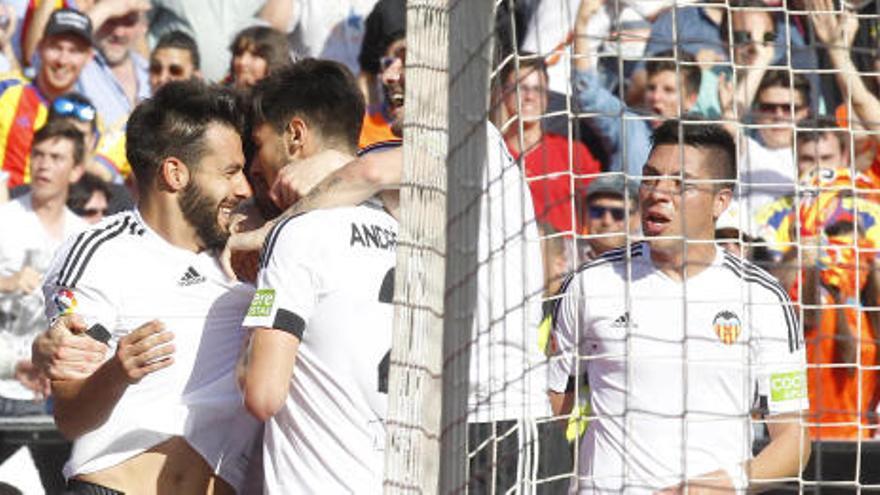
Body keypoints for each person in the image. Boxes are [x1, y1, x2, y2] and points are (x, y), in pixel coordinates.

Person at [228, 32, 559, 494]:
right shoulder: (400, 191)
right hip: (436, 433)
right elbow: (359, 177)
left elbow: (366, 172)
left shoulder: (472, 138)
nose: (389, 75)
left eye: (407, 60)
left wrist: (266, 233)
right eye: (388, 60)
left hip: (500, 421)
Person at [549, 119, 810, 493]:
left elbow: (793, 442)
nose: (658, 193)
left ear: (721, 201)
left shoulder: (762, 297)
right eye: (650, 178)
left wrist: (713, 487)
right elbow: (554, 404)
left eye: (680, 184)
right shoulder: (590, 283)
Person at [42, 80, 259, 494]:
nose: (244, 188)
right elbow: (70, 416)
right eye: (230, 172)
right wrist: (117, 373)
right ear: (175, 173)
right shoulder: (101, 252)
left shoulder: (258, 252)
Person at [238, 59, 398, 493]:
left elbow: (262, 393)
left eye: (259, 143)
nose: (254, 164)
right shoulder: (404, 228)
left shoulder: (297, 233)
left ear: (295, 135)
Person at [0, 120, 88, 495]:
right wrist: (6, 282)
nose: (43, 165)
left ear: (77, 170)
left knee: (67, 487)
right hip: (2, 382)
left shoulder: (82, 235)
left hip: (51, 392)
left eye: (56, 157)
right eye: (38, 155)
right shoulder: (5, 219)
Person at [573, 0, 702, 178]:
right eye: (651, 88)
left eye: (668, 90)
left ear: (691, 99)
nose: (656, 96)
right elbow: (587, 92)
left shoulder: (704, 143)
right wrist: (581, 27)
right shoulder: (628, 125)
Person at [500, 55, 601, 235]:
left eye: (538, 89)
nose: (529, 96)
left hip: (565, 256)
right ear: (503, 93)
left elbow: (602, 204)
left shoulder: (571, 152)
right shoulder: (493, 153)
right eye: (520, 88)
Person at [0, 8, 93, 189]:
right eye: (56, 47)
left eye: (74, 51)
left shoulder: (88, 118)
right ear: (40, 47)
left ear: (89, 57)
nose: (62, 60)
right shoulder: (6, 89)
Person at [75, 0, 152, 130]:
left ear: (143, 27)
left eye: (128, 22)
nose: (118, 33)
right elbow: (61, 44)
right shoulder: (79, 66)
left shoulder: (152, 73)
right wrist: (106, 8)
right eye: (111, 20)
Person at [576, 173, 640, 263]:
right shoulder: (566, 256)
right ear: (585, 214)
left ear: (637, 219)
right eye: (597, 211)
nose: (607, 221)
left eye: (618, 213)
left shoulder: (650, 261)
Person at [225, 26, 291, 90]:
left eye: (255, 55)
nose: (242, 62)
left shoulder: (290, 98)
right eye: (239, 53)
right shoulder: (220, 96)